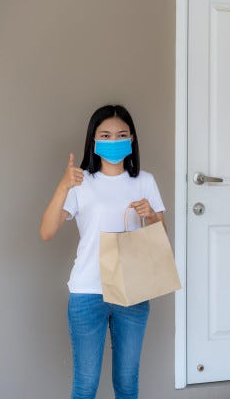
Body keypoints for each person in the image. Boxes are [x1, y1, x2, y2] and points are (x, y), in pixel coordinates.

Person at [40, 105, 165, 399]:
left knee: (127, 381)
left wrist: (152, 216)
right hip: (87, 291)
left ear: (132, 139)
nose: (113, 140)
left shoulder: (144, 181)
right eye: (105, 135)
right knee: (85, 385)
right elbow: (46, 232)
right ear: (93, 140)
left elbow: (162, 242)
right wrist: (63, 185)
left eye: (121, 134)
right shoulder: (81, 182)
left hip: (132, 290)